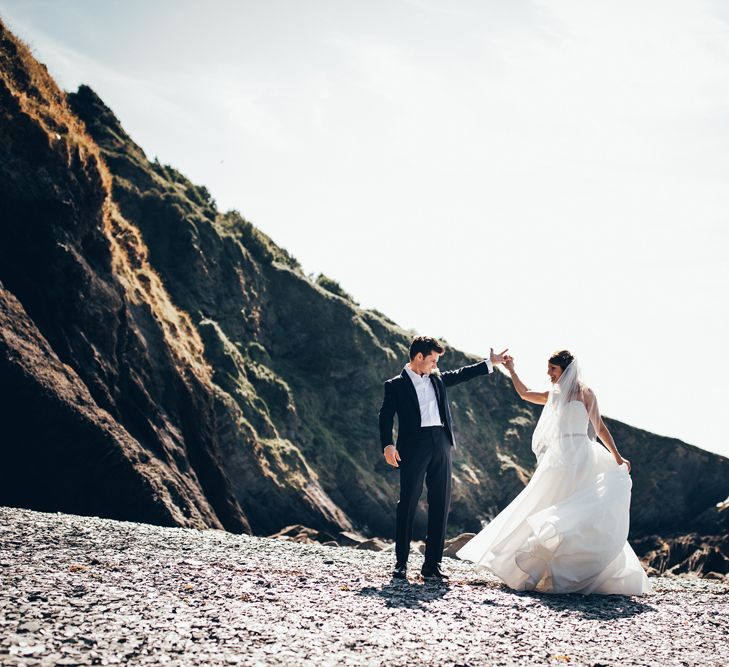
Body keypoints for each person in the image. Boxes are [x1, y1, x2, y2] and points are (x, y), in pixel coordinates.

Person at [457, 350, 651, 595]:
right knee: (540, 505)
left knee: (579, 513)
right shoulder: (554, 395)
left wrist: (617, 456)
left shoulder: (586, 393)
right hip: (558, 460)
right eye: (549, 369)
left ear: (566, 370)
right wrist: (512, 371)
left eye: (553, 369)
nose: (549, 374)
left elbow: (599, 427)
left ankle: (575, 573)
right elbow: (525, 394)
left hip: (583, 457)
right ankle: (535, 568)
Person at [379, 335, 507, 581]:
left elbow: (460, 374)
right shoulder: (394, 385)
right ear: (419, 357)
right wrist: (387, 445)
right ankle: (401, 564)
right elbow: (385, 415)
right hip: (413, 447)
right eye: (433, 360)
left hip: (441, 444)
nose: (435, 365)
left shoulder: (437, 379)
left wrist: (489, 363)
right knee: (407, 503)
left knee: (440, 502)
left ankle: (432, 565)